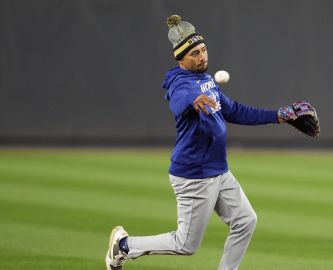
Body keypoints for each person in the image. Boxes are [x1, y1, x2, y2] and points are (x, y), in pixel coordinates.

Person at [105, 15, 290, 270]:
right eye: (194, 53)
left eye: (203, 50)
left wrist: (278, 116)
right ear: (181, 59)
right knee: (186, 245)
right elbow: (178, 101)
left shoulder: (207, 80)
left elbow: (234, 110)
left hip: (219, 171)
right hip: (194, 175)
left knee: (245, 221)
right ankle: (124, 245)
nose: (202, 56)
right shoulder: (180, 83)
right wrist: (193, 101)